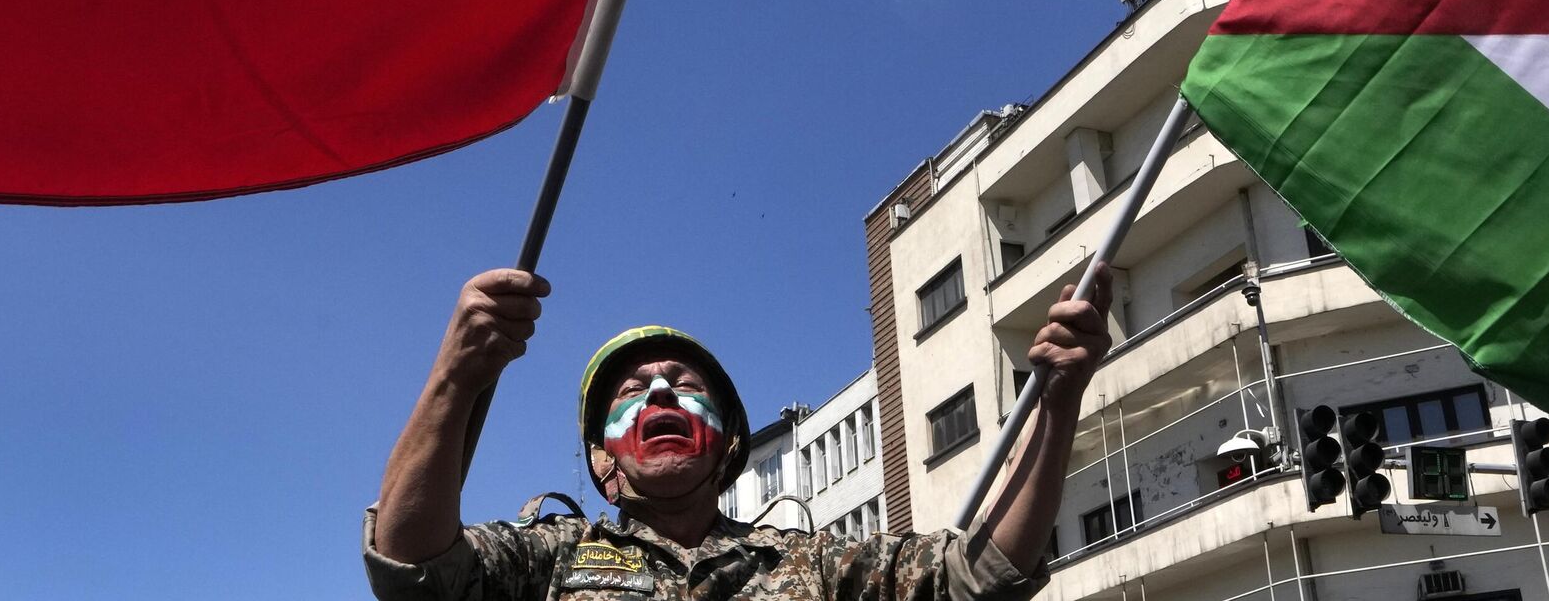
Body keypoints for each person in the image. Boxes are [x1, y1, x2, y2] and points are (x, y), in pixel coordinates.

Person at [366, 264, 1113, 600]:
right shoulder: (546, 560)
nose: (660, 389)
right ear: (602, 460)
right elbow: (411, 566)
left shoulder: (817, 565)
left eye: (687, 386)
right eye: (632, 391)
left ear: (728, 444)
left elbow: (980, 575)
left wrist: (1056, 403)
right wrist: (455, 378)